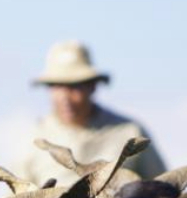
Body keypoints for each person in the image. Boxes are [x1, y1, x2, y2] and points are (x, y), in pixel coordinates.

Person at [19, 41, 167, 186]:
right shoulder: (34, 139)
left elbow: (164, 189)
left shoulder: (130, 133)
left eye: (74, 87)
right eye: (57, 86)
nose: (65, 97)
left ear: (93, 86)